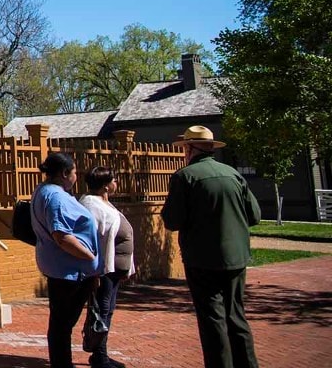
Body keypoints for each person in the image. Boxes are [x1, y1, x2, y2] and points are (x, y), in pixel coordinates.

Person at [161, 125, 262, 368]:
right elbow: (255, 216)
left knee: (212, 319)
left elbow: (172, 220)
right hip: (236, 257)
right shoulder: (233, 174)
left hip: (202, 259)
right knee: (236, 316)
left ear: (189, 148)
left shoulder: (185, 177)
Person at [32, 152, 101, 368]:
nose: (75, 177)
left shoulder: (44, 191)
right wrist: (89, 256)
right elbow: (61, 236)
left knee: (61, 323)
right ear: (64, 173)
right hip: (69, 271)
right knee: (62, 324)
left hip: (63, 268)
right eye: (73, 173)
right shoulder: (56, 198)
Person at [80, 165, 136, 368]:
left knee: (107, 310)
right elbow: (91, 239)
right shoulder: (91, 205)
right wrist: (94, 271)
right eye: (114, 180)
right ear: (105, 185)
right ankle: (99, 356)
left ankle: (101, 354)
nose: (116, 183)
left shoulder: (104, 202)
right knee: (100, 312)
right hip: (102, 271)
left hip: (113, 271)